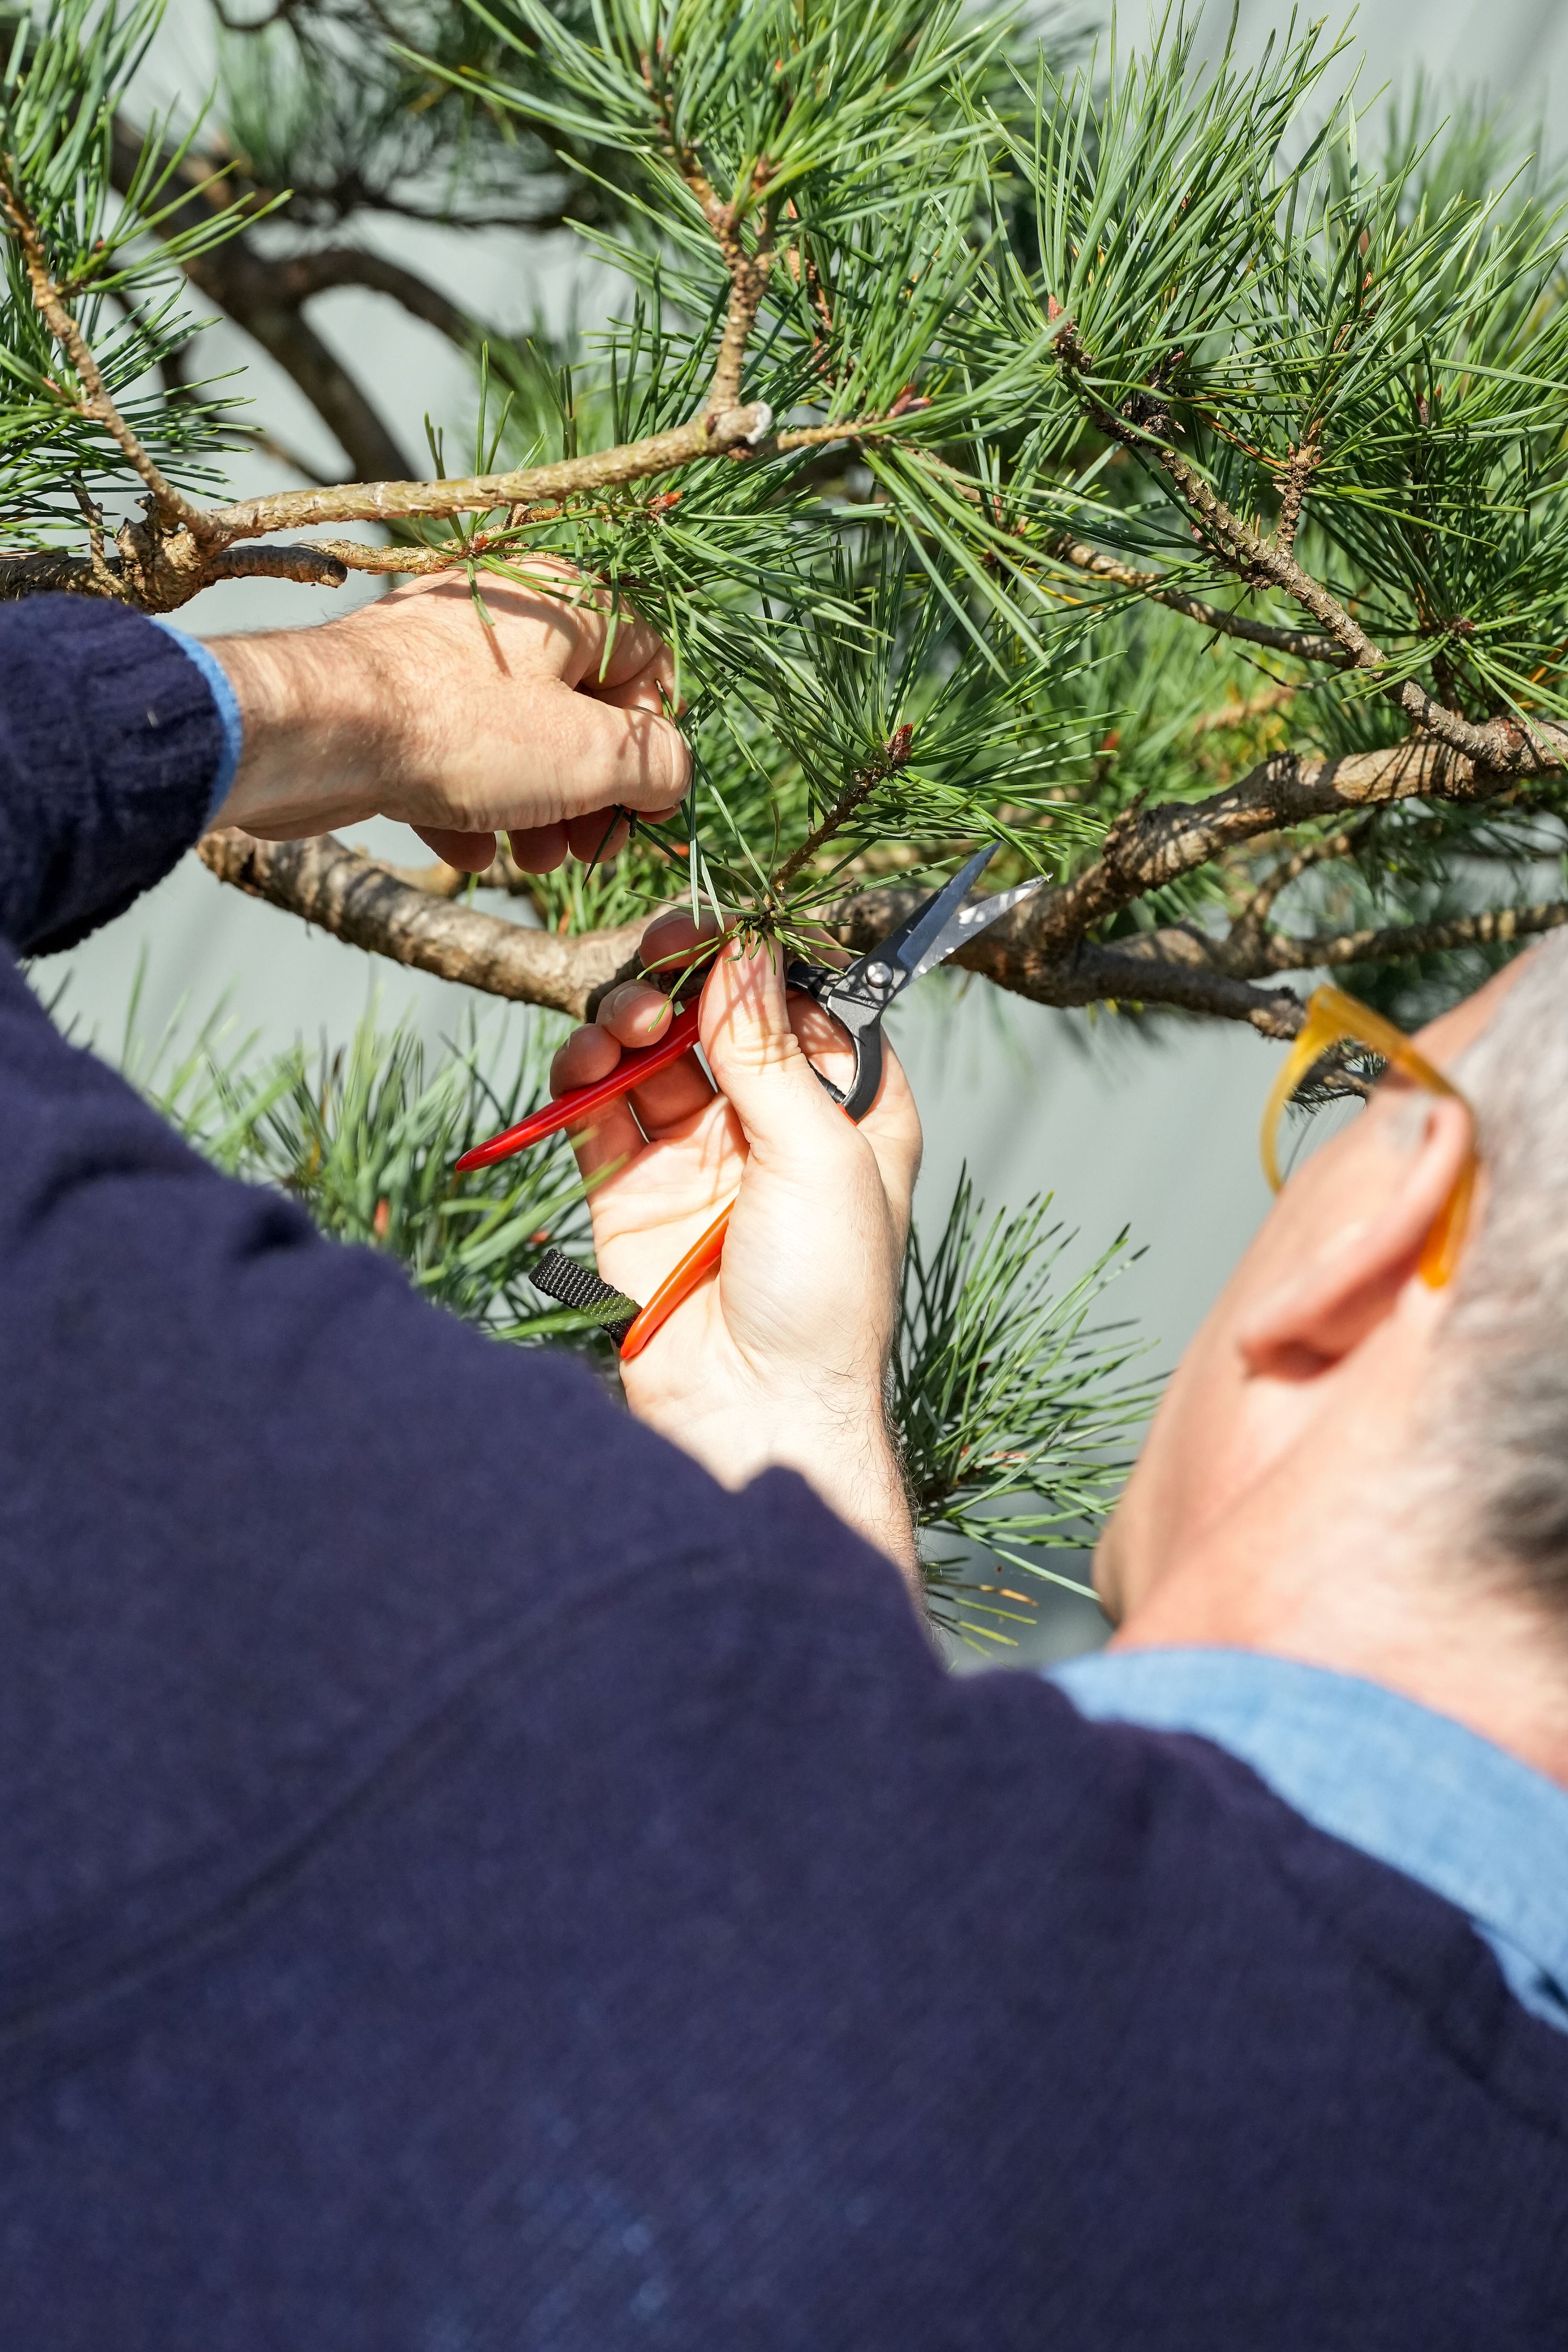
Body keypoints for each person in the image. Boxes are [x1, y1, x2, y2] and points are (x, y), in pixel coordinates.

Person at [1, 578, 1565, 2351]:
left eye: (1365, 1086)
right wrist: (788, 1443)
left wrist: (333, 696)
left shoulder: (556, 1693)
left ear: (1378, 1239)